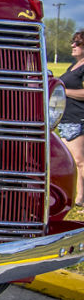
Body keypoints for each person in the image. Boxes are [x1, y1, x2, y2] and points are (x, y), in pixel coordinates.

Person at [58, 30, 84, 205]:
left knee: (79, 161)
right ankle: (78, 197)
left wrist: (63, 92)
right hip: (66, 119)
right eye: (72, 41)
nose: (72, 45)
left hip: (78, 118)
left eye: (77, 42)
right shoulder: (73, 66)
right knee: (72, 161)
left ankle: (81, 197)